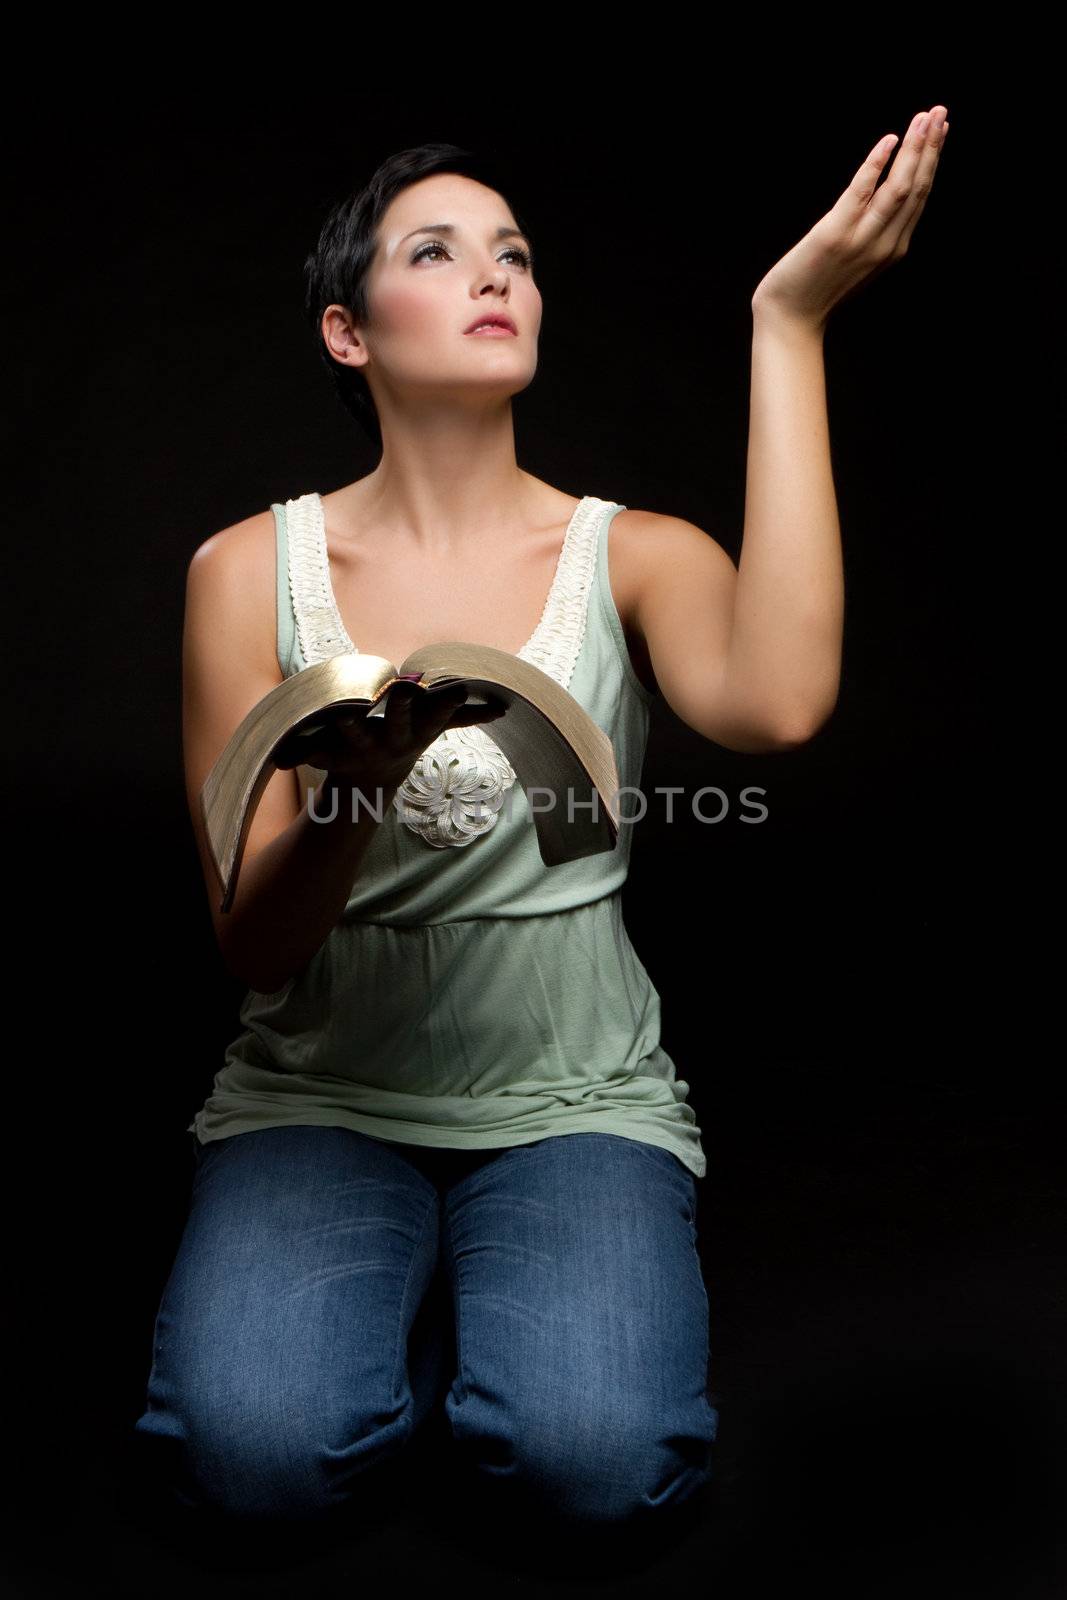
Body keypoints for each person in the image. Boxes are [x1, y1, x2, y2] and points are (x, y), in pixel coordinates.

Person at [132, 118, 947, 1552]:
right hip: (321, 1091)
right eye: (435, 253)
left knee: (599, 1467)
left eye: (512, 252)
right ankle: (394, 1320)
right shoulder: (243, 571)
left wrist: (789, 323)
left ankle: (496, 1317)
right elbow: (252, 942)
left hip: (575, 1094)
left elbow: (782, 704)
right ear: (347, 331)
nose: (492, 274)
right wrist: (358, 792)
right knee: (253, 1460)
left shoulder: (633, 554)